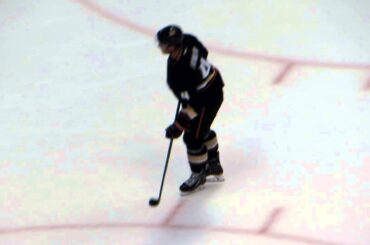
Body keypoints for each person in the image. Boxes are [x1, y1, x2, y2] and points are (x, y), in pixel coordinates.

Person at [156, 25, 225, 193]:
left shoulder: (178, 73)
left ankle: (199, 174)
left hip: (206, 98)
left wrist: (179, 125)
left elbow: (194, 104)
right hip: (214, 84)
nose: (160, 46)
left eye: (163, 43)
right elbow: (204, 52)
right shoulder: (188, 40)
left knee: (192, 138)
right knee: (201, 129)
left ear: (172, 46)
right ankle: (214, 164)